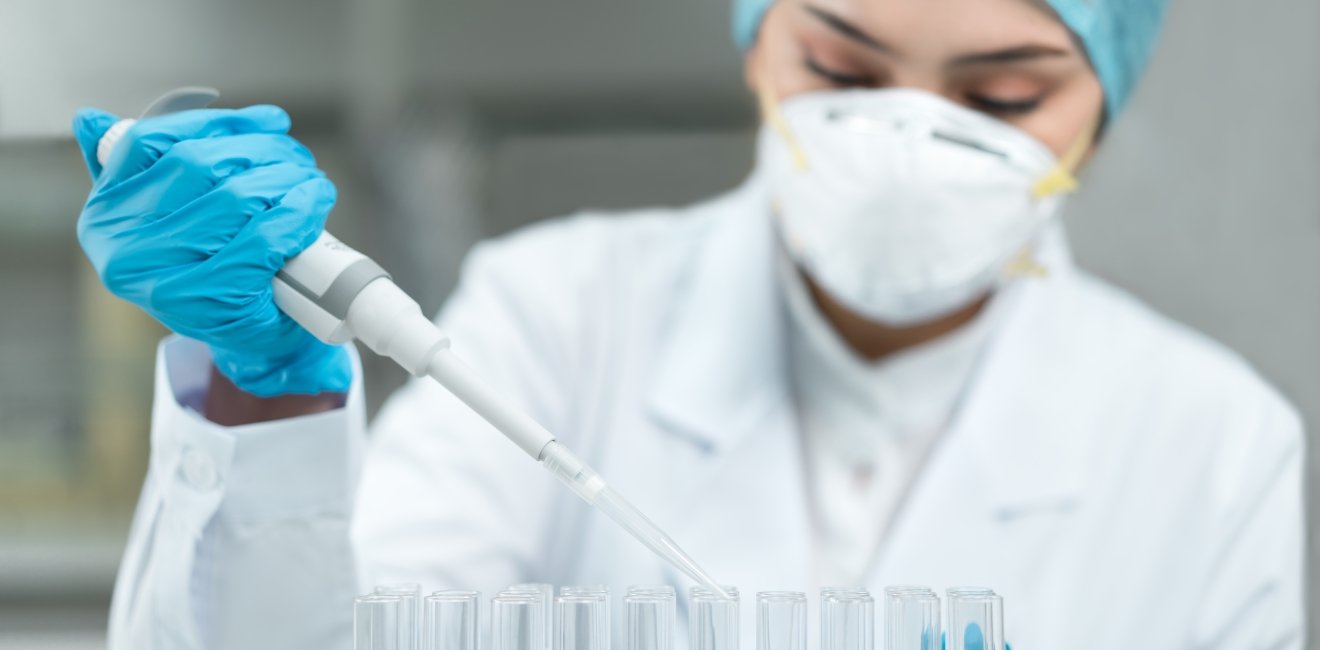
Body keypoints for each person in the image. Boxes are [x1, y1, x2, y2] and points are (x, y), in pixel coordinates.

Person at [72, 0, 1304, 648]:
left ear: (1107, 98)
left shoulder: (1213, 445)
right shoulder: (557, 317)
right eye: (843, 66)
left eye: (1005, 93)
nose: (907, 139)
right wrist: (265, 395)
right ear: (758, 42)